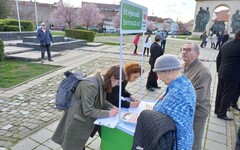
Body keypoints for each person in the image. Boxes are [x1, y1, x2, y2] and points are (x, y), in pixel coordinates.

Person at [52, 64, 126, 150]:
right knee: (74, 146)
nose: (118, 85)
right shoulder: (91, 86)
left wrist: (111, 107)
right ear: (112, 77)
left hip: (81, 119)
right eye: (118, 82)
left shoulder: (100, 80)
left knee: (78, 146)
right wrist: (109, 113)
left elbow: (98, 99)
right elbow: (88, 111)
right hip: (76, 122)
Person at [153, 54, 196, 150]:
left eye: (159, 74)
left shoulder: (178, 92)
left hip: (176, 144)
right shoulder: (182, 82)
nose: (159, 78)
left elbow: (158, 110)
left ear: (169, 71)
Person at [181, 43, 212, 150]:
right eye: (183, 49)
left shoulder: (203, 72)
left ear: (197, 53)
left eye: (188, 50)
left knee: (194, 143)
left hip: (197, 113)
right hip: (184, 110)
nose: (184, 52)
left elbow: (198, 97)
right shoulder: (182, 66)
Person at [215, 29, 240, 121]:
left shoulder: (225, 44)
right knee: (227, 94)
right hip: (234, 75)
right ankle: (222, 113)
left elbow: (218, 59)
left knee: (220, 92)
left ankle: (217, 110)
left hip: (222, 72)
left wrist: (218, 70)